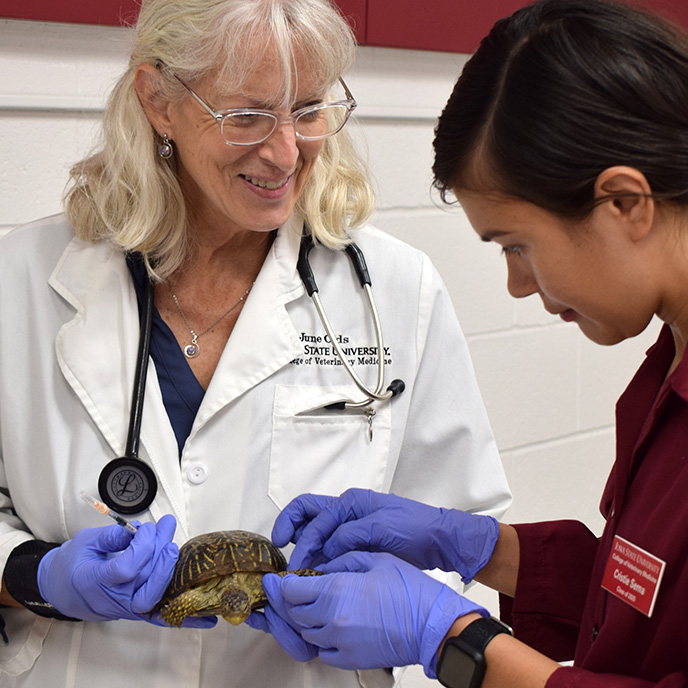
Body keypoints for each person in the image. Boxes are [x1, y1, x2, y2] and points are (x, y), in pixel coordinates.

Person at [0, 0, 511, 686]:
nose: (284, 151)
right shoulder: (21, 277)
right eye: (244, 116)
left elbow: (454, 543)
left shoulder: (393, 288)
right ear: (159, 102)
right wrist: (37, 575)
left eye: (307, 110)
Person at [253, 0, 688, 686]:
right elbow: (651, 607)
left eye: (518, 245)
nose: (517, 285)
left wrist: (456, 641)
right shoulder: (669, 371)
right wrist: (481, 548)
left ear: (627, 203)